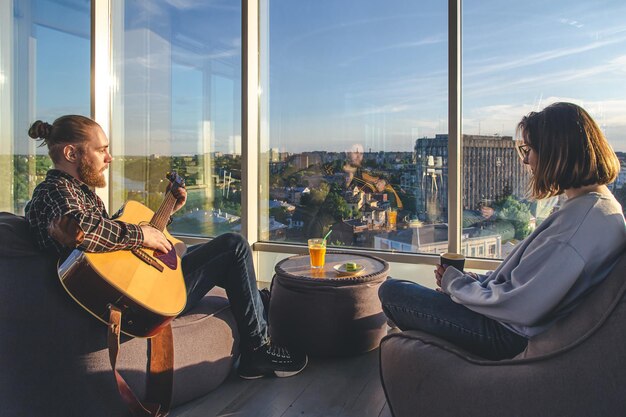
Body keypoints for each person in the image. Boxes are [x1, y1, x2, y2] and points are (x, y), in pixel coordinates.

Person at [25, 114, 307, 379]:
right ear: (71, 154)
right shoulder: (54, 193)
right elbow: (82, 230)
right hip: (125, 304)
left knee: (215, 256)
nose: (109, 158)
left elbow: (111, 251)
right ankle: (258, 349)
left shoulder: (81, 195)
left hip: (126, 290)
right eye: (101, 150)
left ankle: (262, 305)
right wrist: (141, 235)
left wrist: (167, 212)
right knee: (233, 246)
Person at [378, 102, 626, 360]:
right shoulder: (595, 209)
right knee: (406, 289)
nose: (525, 159)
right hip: (509, 322)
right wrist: (476, 282)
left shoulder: (581, 224)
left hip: (504, 335)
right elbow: (531, 284)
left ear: (555, 153)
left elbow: (522, 305)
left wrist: (456, 285)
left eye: (529, 149)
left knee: (392, 291)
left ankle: (416, 360)